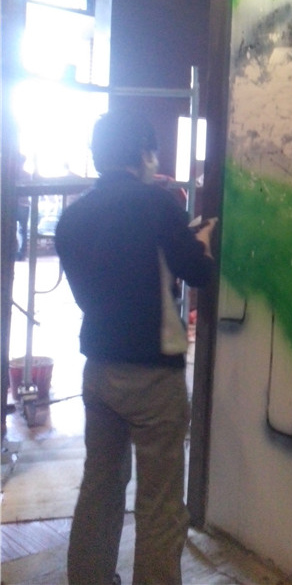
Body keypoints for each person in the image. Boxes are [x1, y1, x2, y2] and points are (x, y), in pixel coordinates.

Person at [55, 110, 215, 585]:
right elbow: (198, 273)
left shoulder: (73, 217)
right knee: (160, 505)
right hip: (153, 376)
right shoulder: (158, 205)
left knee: (100, 489)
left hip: (98, 371)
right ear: (144, 153)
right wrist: (203, 242)